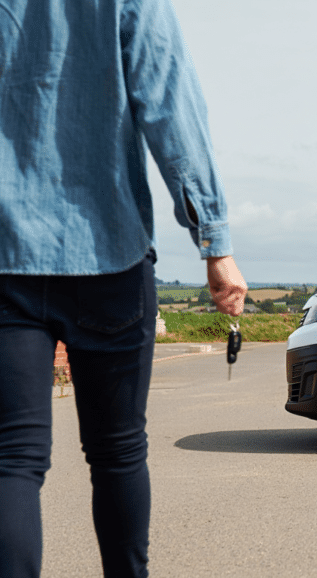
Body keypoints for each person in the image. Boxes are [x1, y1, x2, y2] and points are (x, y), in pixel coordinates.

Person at [0, 1, 246, 576]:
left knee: (12, 460)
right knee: (116, 453)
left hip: (6, 256)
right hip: (107, 252)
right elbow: (169, 102)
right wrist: (215, 241)